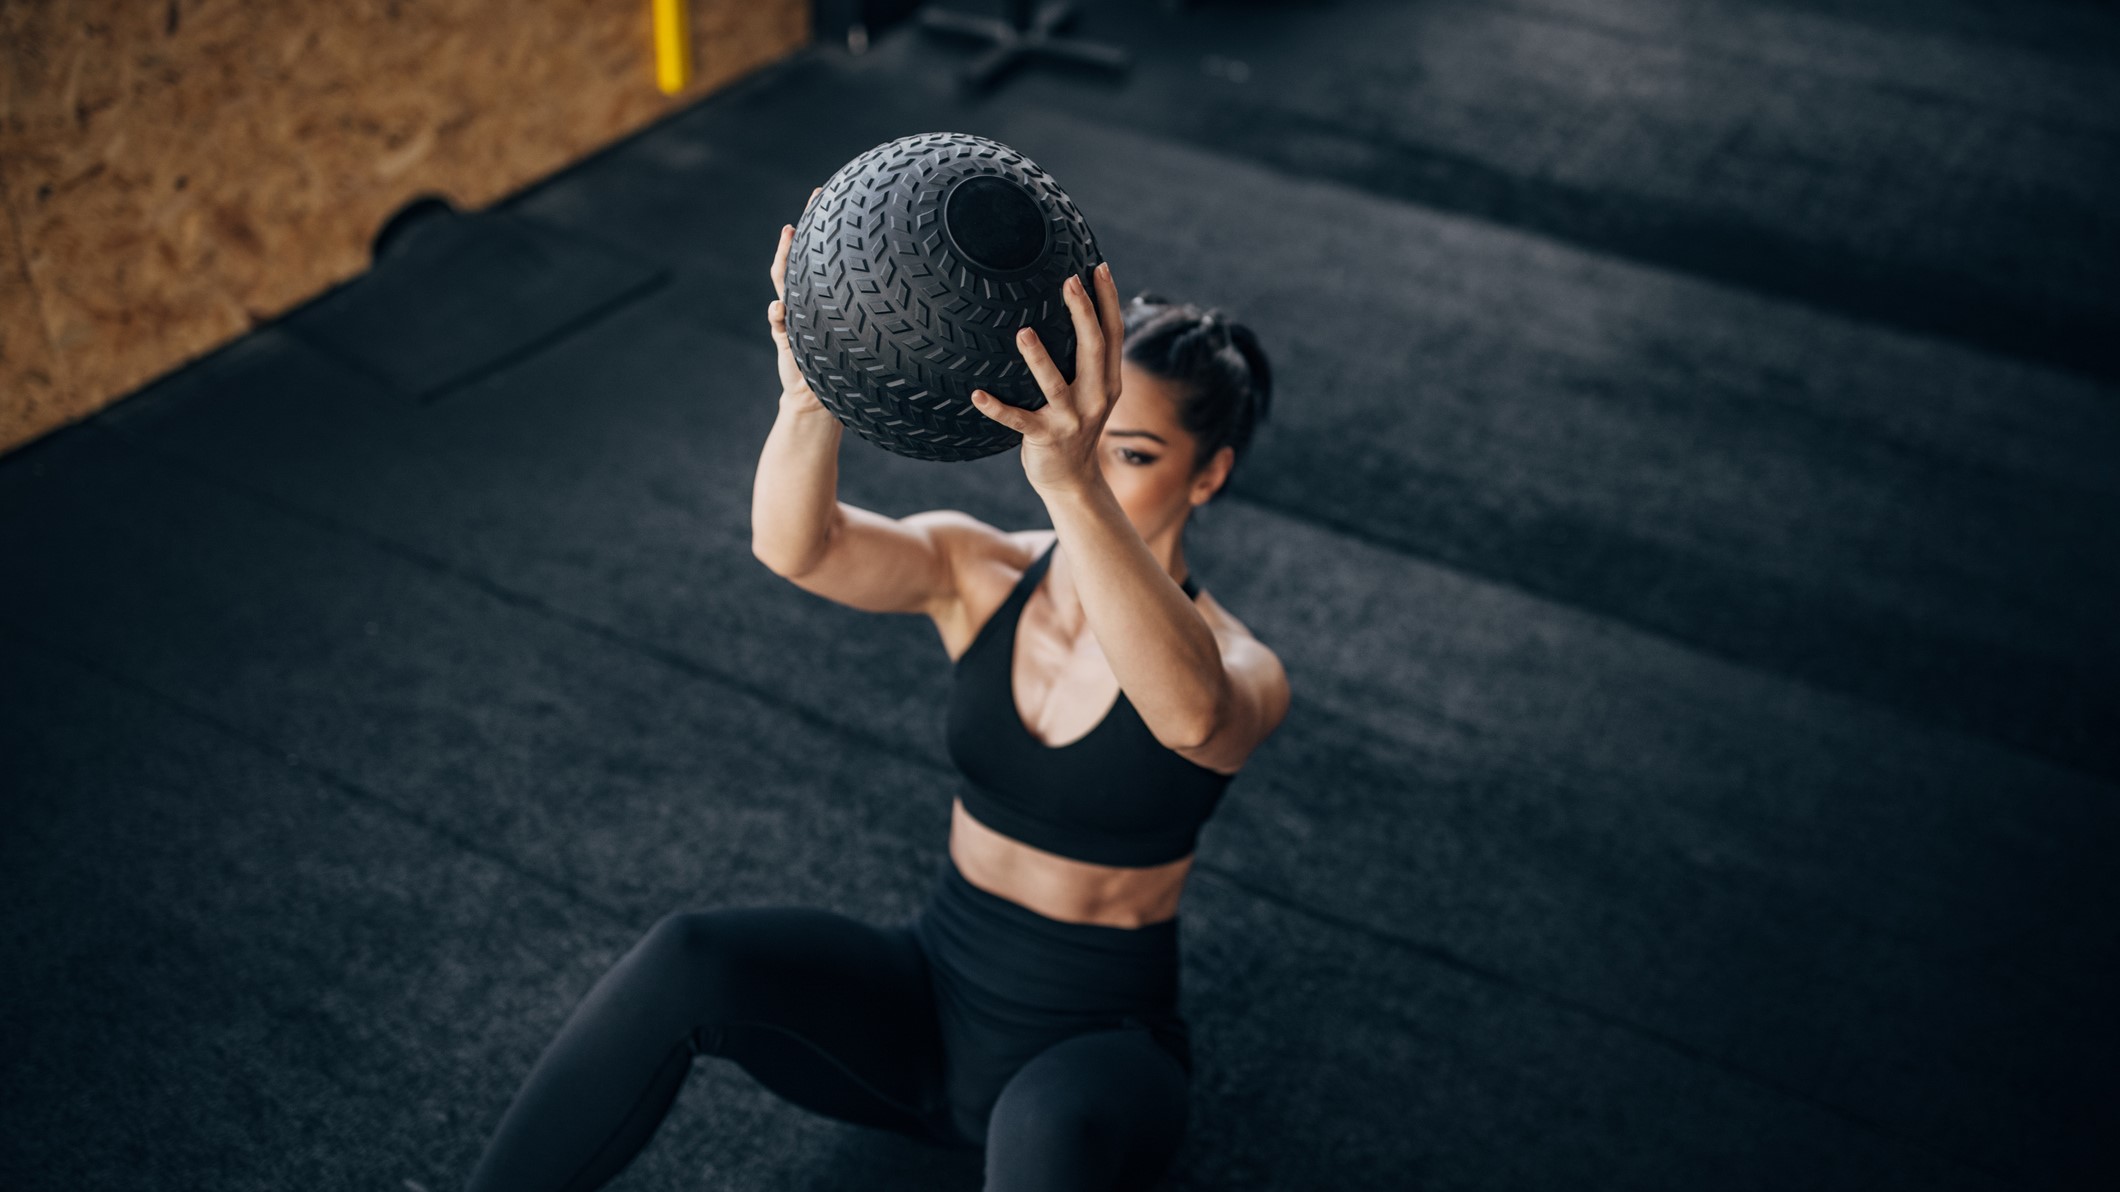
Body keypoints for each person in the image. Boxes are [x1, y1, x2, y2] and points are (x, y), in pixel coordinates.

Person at [464, 187, 1290, 1192]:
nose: (1096, 463)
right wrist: (812, 391)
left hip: (1091, 1051)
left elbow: (1189, 716)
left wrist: (1071, 484)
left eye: (1131, 452)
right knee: (690, 955)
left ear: (1207, 477)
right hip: (928, 990)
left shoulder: (1238, 666)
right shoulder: (977, 570)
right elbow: (796, 545)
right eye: (1091, 432)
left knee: (1043, 1138)